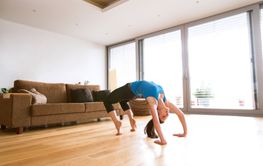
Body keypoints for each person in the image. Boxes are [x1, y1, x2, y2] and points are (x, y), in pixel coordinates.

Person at [103, 80, 187, 145]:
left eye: (163, 117)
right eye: (166, 117)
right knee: (123, 101)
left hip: (130, 89)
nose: (167, 114)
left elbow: (156, 121)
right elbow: (180, 114)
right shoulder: (165, 100)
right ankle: (131, 120)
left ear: (158, 112)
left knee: (106, 100)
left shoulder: (153, 102)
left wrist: (163, 140)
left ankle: (117, 123)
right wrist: (184, 133)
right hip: (136, 93)